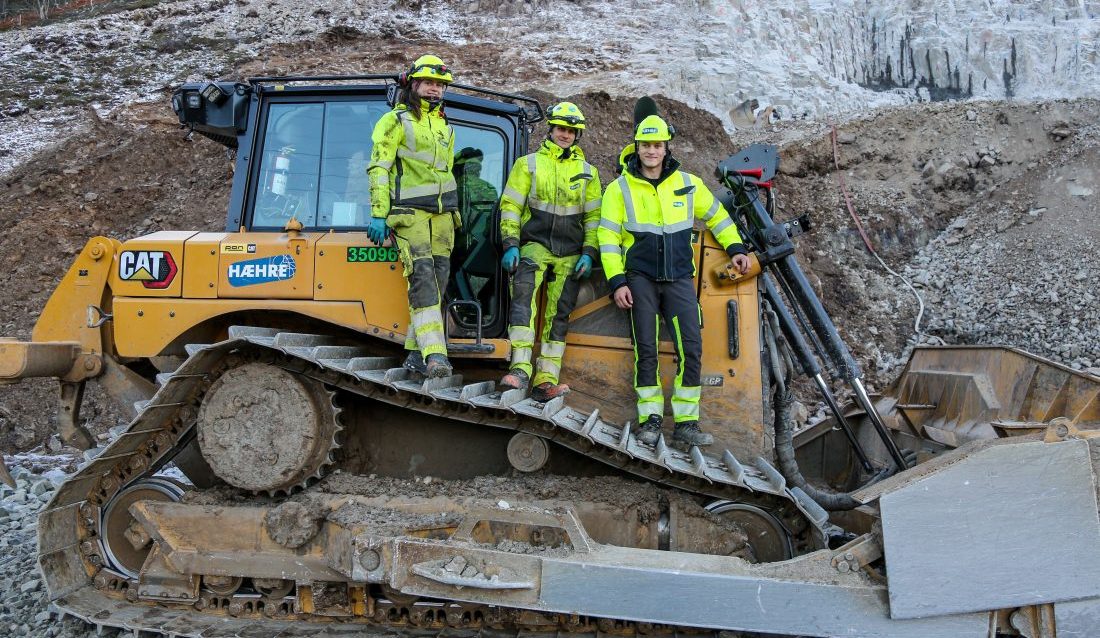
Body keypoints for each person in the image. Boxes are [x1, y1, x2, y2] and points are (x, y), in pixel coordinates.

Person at [598, 114, 752, 447]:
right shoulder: (618, 189)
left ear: (667, 147)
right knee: (647, 350)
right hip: (640, 279)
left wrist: (736, 247)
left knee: (691, 349)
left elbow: (717, 217)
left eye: (657, 145)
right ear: (636, 147)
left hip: (681, 279)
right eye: (645, 145)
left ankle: (686, 423)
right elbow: (607, 238)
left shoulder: (688, 183)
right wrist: (617, 281)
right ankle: (650, 419)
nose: (651, 151)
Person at [498, 102, 602, 402]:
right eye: (561, 129)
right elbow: (511, 207)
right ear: (551, 130)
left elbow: (593, 218)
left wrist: (589, 252)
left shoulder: (589, 173)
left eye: (571, 130)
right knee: (523, 304)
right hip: (534, 245)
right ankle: (519, 370)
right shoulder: (528, 164)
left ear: (577, 134)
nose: (565, 135)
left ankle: (546, 380)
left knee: (559, 316)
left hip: (571, 253)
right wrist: (511, 244)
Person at [366, 54, 459, 378]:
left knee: (439, 282)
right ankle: (435, 355)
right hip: (410, 215)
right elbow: (380, 167)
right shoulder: (395, 120)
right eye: (430, 83)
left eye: (440, 85)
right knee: (424, 284)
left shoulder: (444, 126)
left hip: (443, 217)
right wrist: (379, 213)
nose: (435, 90)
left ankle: (414, 354)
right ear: (414, 84)